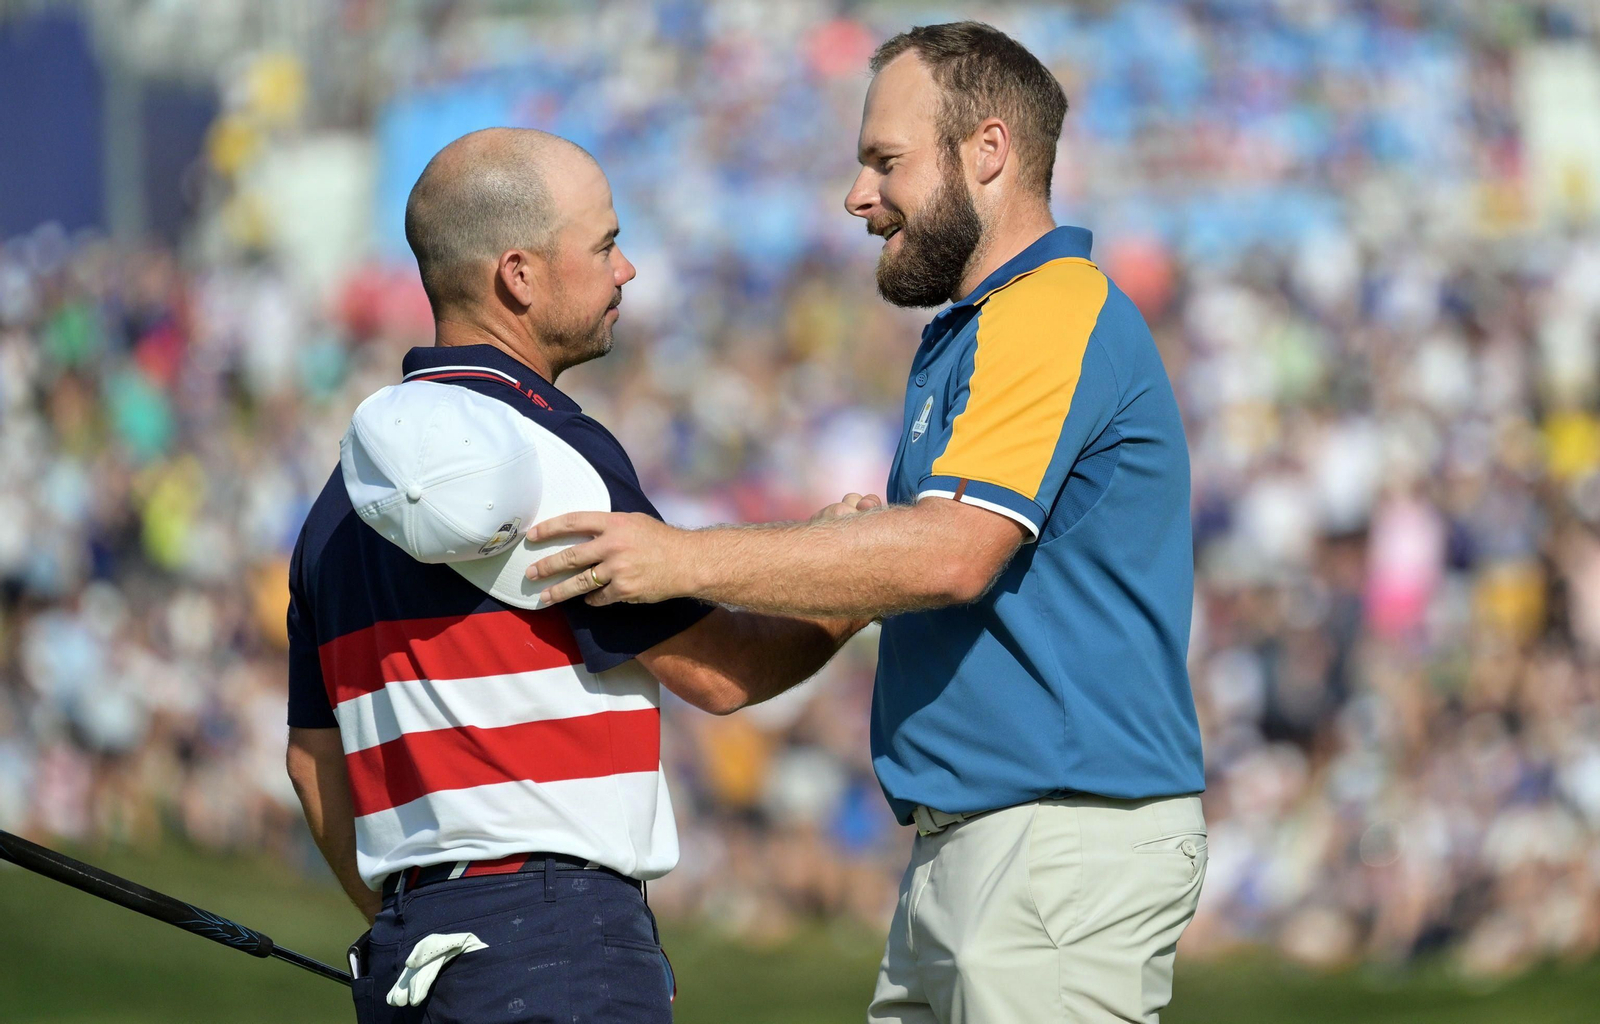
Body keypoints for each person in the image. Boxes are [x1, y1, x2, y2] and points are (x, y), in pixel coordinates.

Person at [522, 23, 1208, 1024]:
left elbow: (952, 554)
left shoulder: (1049, 307)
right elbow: (914, 566)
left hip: (1054, 838)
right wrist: (824, 564)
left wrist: (676, 557)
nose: (856, 194)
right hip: (985, 845)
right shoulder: (979, 327)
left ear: (988, 151)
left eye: (885, 160)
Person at [284, 128, 866, 1024]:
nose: (626, 270)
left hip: (412, 949)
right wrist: (855, 582)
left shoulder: (332, 509)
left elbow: (311, 760)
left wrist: (422, 927)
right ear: (518, 275)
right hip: (560, 931)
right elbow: (725, 673)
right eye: (604, 245)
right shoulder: (555, 450)